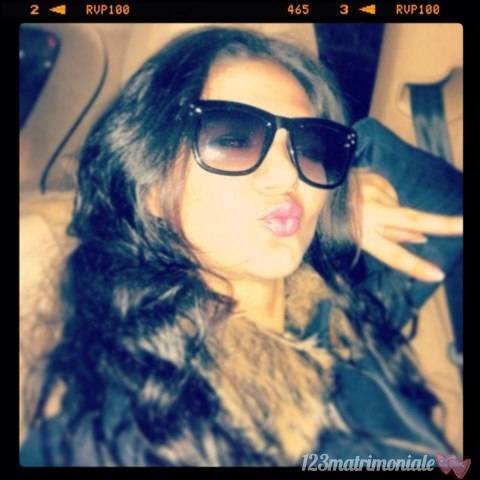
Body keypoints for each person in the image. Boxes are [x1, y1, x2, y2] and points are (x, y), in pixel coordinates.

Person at [20, 26, 463, 466]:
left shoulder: (338, 313)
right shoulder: (119, 431)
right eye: (233, 140)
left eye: (310, 148)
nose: (287, 175)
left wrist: (348, 188)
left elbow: (449, 206)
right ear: (151, 185)